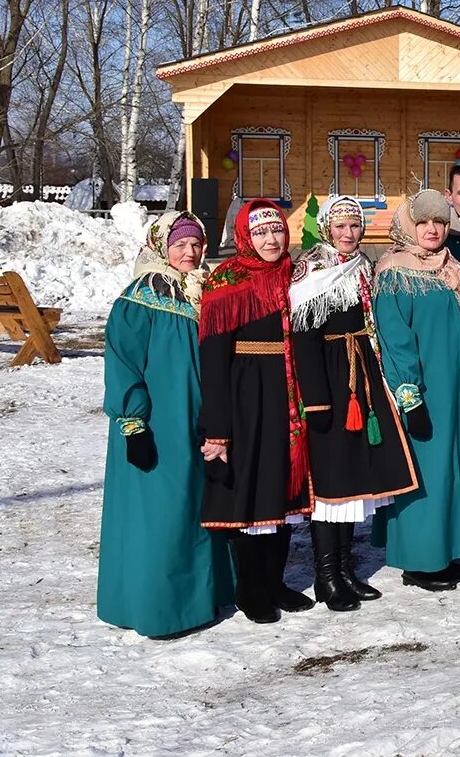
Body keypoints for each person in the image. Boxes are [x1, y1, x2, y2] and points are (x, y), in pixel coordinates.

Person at [98, 212, 233, 637]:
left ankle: (200, 600)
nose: (190, 252)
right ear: (161, 247)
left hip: (200, 423)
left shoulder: (204, 291)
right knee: (162, 516)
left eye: (196, 244)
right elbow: (123, 362)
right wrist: (133, 423)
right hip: (160, 425)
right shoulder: (141, 297)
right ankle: (160, 609)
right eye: (180, 245)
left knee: (198, 510)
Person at [289, 195, 419, 611]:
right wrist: (317, 400)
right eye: (341, 227)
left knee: (353, 478)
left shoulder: (364, 266)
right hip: (330, 380)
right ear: (327, 228)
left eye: (355, 226)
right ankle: (326, 576)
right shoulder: (310, 270)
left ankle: (345, 569)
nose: (349, 234)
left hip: (361, 376)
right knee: (330, 481)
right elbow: (303, 339)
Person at [371, 190, 460, 591]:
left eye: (439, 222)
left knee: (457, 471)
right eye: (423, 222)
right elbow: (395, 336)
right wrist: (410, 395)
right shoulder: (395, 271)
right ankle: (421, 560)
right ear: (410, 224)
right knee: (427, 475)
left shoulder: (453, 268)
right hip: (425, 391)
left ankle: (451, 549)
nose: (431, 230)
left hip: (459, 389)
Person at [198, 200, 313, 624]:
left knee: (283, 491)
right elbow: (213, 358)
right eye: (261, 232)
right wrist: (218, 424)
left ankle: (275, 581)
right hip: (247, 397)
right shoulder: (227, 279)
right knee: (252, 492)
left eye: (277, 231)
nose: (271, 240)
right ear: (246, 236)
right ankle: (250, 588)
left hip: (288, 396)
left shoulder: (296, 275)